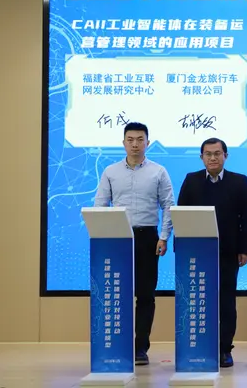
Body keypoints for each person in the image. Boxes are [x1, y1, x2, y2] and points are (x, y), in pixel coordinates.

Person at [93, 122, 175, 366]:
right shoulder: (110, 172)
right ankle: (118, 345)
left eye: (140, 139)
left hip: (148, 238)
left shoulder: (159, 171)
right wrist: (103, 236)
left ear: (148, 143)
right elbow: (100, 205)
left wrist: (163, 237)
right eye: (130, 139)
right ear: (123, 143)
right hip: (118, 238)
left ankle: (141, 347)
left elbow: (168, 205)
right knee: (117, 294)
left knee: (146, 295)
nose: (135, 144)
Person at [176, 137, 247, 368]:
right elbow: (181, 214)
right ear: (201, 157)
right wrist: (180, 248)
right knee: (198, 301)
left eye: (217, 153)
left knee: (226, 302)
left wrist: (245, 249)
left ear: (225, 156)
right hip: (197, 253)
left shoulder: (239, 181)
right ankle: (199, 347)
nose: (212, 158)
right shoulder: (191, 180)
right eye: (208, 154)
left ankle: (224, 349)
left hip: (228, 253)